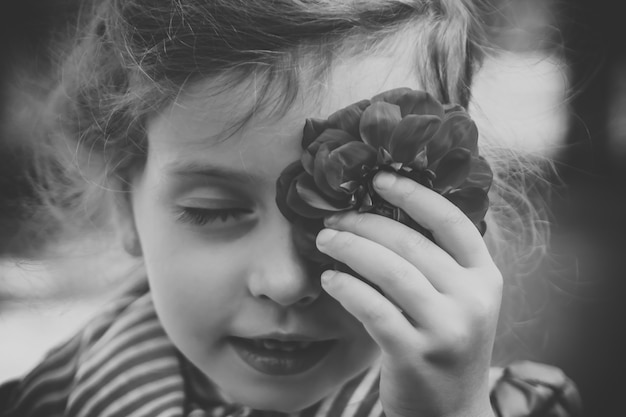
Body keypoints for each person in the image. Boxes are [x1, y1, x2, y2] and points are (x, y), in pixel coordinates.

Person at [0, 1, 581, 416]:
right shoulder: (40, 402)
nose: (284, 283)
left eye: (368, 208)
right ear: (126, 206)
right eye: (212, 211)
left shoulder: (513, 408)